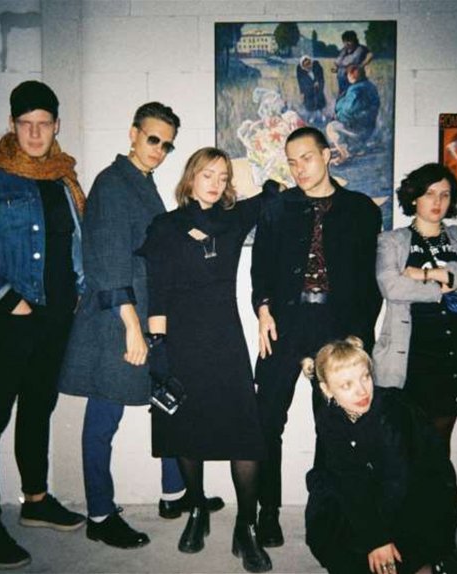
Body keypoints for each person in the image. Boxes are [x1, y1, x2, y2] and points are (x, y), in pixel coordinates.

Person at [56, 102, 224, 550]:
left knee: (168, 403)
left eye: (167, 145)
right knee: (104, 416)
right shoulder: (113, 183)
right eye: (153, 139)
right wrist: (132, 327)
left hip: (142, 315)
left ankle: (174, 492)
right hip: (115, 319)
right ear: (133, 134)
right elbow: (108, 262)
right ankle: (99, 514)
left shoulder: (142, 183)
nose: (159, 151)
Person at [0, 80, 87, 569]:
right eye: (26, 124)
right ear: (12, 124)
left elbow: (75, 247)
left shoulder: (65, 179)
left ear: (56, 125)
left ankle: (36, 500)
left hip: (56, 320)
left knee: (37, 410)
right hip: (10, 321)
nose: (35, 133)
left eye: (44, 124)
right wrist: (9, 300)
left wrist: (79, 294)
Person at [139, 148, 276, 573]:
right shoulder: (165, 226)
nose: (215, 183)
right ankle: (197, 509)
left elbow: (273, 193)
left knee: (245, 433)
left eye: (223, 176)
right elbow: (158, 291)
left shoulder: (234, 219)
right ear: (190, 178)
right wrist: (159, 350)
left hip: (225, 339)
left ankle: (246, 526)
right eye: (207, 174)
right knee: (186, 430)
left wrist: (255, 181)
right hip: (181, 342)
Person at [250, 126, 383, 548]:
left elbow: (368, 280)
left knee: (334, 423)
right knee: (267, 419)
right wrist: (262, 308)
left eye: (306, 158)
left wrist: (358, 335)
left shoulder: (361, 210)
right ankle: (268, 512)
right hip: (284, 324)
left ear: (327, 156)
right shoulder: (276, 207)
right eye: (291, 162)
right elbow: (260, 267)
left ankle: (325, 512)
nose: (299, 169)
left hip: (336, 324)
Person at [303, 338, 457, 574]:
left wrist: (379, 540)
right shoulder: (329, 418)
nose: (362, 390)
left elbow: (398, 480)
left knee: (398, 559)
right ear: (327, 390)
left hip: (418, 494)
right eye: (346, 385)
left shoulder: (391, 413)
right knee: (333, 530)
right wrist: (375, 539)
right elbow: (346, 475)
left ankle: (448, 565)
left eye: (365, 377)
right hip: (374, 489)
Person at [372, 163, 457, 455]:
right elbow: (392, 286)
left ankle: (438, 487)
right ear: (414, 197)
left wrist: (430, 274)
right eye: (429, 193)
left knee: (440, 440)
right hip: (414, 348)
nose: (438, 202)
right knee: (413, 439)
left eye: (445, 194)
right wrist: (447, 287)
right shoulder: (392, 241)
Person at [326, 64, 381, 166]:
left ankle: (344, 155)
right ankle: (357, 147)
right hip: (368, 129)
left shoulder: (355, 89)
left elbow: (348, 110)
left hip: (357, 129)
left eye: (348, 74)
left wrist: (338, 114)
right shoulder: (370, 86)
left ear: (353, 75)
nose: (348, 76)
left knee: (331, 127)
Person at [332, 30, 374, 97]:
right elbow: (338, 62)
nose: (347, 43)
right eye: (345, 41)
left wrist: (361, 65)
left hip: (355, 79)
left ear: (354, 40)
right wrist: (336, 69)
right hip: (342, 80)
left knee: (353, 96)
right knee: (342, 97)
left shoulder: (361, 48)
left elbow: (370, 55)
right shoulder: (343, 50)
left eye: (349, 41)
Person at [296, 55, 327, 125]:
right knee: (311, 104)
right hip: (309, 90)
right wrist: (302, 92)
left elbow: (321, 77)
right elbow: (300, 83)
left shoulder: (317, 66)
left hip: (318, 89)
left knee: (320, 101)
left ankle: (323, 115)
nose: (308, 66)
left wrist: (318, 82)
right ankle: (313, 116)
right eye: (306, 65)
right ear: (303, 66)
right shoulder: (301, 72)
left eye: (309, 64)